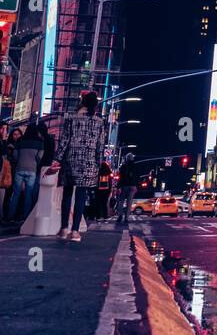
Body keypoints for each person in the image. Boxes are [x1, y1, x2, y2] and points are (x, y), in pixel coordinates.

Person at [55, 90, 107, 241]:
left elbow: (64, 140)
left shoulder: (71, 118)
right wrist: (97, 163)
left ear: (82, 103)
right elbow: (100, 146)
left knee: (67, 193)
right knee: (81, 196)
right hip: (88, 162)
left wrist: (57, 159)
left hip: (70, 159)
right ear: (95, 106)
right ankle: (75, 231)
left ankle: (64, 228)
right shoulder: (99, 122)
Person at [9, 123, 44, 222]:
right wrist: (35, 163)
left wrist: (19, 161)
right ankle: (25, 217)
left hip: (19, 169)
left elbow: (15, 155)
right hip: (32, 170)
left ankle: (11, 217)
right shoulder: (40, 142)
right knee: (28, 194)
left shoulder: (20, 140)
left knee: (16, 193)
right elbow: (39, 157)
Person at [116, 152, 141, 226]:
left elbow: (120, 178)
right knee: (129, 203)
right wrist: (137, 186)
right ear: (132, 158)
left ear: (126, 158)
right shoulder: (136, 166)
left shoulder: (123, 166)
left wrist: (118, 187)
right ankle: (126, 218)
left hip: (124, 186)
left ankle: (120, 215)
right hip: (133, 186)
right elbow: (138, 177)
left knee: (120, 201)